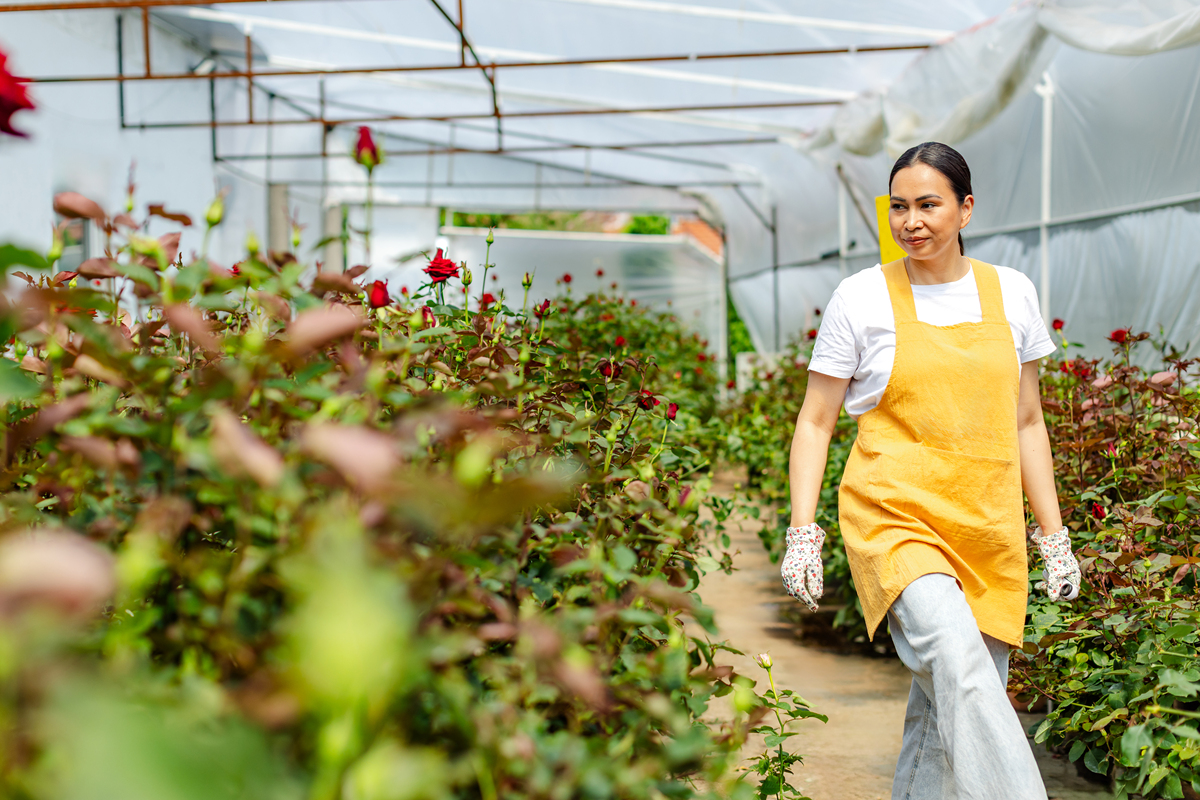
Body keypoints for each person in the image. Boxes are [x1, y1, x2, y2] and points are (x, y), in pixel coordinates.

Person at [780, 142, 1082, 800]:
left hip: (986, 525)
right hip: (895, 519)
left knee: (947, 711)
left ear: (966, 209)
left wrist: (1053, 536)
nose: (911, 221)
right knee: (959, 664)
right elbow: (816, 420)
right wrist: (802, 531)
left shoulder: (1013, 293)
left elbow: (1027, 420)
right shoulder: (861, 298)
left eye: (928, 204)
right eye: (899, 207)